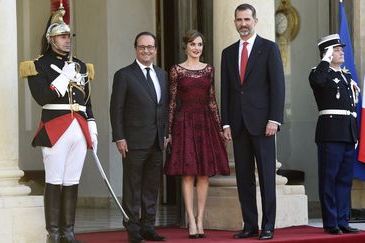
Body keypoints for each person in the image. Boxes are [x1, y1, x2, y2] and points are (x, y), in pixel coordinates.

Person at [19, 4, 97, 243]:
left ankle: (68, 232)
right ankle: (53, 233)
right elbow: (42, 97)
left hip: (79, 126)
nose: (67, 40)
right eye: (62, 36)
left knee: (72, 180)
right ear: (50, 39)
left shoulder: (81, 65)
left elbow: (87, 100)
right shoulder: (38, 65)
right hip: (55, 127)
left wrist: (92, 125)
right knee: (55, 179)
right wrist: (64, 76)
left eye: (68, 36)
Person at [220, 3, 285, 241]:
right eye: (239, 20)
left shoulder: (269, 49)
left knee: (267, 177)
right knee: (243, 178)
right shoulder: (227, 53)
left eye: (247, 20)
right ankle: (250, 225)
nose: (243, 24)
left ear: (255, 21)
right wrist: (225, 123)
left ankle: (268, 226)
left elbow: (278, 87)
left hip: (264, 124)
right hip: (238, 125)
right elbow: (226, 90)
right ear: (235, 22)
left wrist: (274, 119)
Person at [164, 30, 230, 239]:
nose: (196, 48)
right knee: (188, 173)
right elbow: (172, 102)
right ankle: (190, 221)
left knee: (203, 173)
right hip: (184, 124)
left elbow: (212, 100)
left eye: (200, 44)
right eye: (192, 44)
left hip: (205, 123)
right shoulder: (176, 70)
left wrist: (220, 129)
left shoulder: (209, 70)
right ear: (185, 46)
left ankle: (201, 220)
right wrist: (168, 131)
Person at [110, 32, 168, 243]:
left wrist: (166, 134)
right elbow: (116, 109)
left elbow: (165, 108)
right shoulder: (124, 75)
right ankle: (133, 228)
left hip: (157, 141)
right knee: (133, 187)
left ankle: (148, 227)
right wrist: (119, 137)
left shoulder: (162, 75)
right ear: (136, 48)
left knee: (152, 187)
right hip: (133, 140)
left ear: (155, 50)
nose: (146, 50)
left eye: (150, 47)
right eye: (142, 47)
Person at [308, 34, 360, 235]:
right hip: (330, 133)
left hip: (347, 133)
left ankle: (342, 220)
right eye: (337, 49)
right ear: (327, 53)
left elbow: (351, 108)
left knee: (345, 180)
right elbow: (317, 82)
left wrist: (354, 134)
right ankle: (331, 222)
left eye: (340, 49)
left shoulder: (346, 76)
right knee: (329, 178)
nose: (342, 52)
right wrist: (325, 60)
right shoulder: (320, 72)